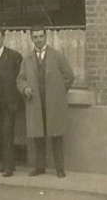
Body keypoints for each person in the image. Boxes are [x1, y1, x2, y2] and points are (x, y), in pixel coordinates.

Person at [18, 27, 75, 178]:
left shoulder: (57, 56)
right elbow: (20, 79)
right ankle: (40, 167)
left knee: (56, 136)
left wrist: (59, 92)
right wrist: (25, 89)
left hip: (53, 103)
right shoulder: (27, 59)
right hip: (36, 103)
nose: (38, 39)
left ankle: (59, 168)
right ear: (31, 39)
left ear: (46, 37)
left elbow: (69, 76)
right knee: (38, 136)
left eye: (41, 36)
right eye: (35, 37)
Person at [0, 27, 24, 177]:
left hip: (10, 104)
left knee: (8, 133)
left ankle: (9, 166)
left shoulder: (13, 56)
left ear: (3, 38)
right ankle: (4, 164)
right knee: (0, 134)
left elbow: (20, 79)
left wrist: (17, 102)